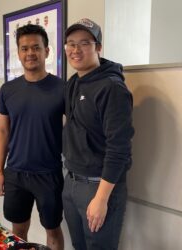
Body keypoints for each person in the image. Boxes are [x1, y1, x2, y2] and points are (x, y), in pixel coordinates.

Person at [62, 18, 135, 250]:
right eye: (71, 43)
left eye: (84, 43)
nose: (75, 49)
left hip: (98, 188)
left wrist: (101, 199)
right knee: (78, 246)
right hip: (72, 181)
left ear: (98, 47)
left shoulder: (112, 88)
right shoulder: (73, 82)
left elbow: (119, 149)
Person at [0, 24, 64, 250]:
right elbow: (3, 130)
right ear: (18, 53)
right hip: (15, 173)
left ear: (47, 51)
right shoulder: (8, 90)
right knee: (18, 230)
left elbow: (76, 129)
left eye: (36, 47)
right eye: (24, 48)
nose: (30, 53)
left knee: (52, 229)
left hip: (49, 173)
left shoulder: (63, 88)